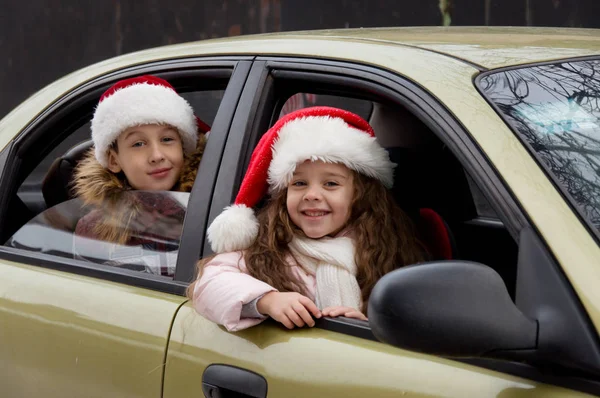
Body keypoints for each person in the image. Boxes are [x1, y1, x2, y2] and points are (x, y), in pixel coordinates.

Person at [189, 106, 428, 331]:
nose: (312, 195)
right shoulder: (267, 249)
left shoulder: (388, 251)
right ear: (284, 195)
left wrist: (368, 327)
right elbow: (208, 284)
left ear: (360, 195)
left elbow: (415, 323)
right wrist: (267, 300)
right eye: (300, 183)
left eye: (331, 184)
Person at [72, 75, 210, 274]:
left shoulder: (214, 203)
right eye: (138, 144)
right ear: (113, 160)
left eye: (167, 139)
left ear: (184, 146)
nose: (157, 155)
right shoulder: (95, 230)